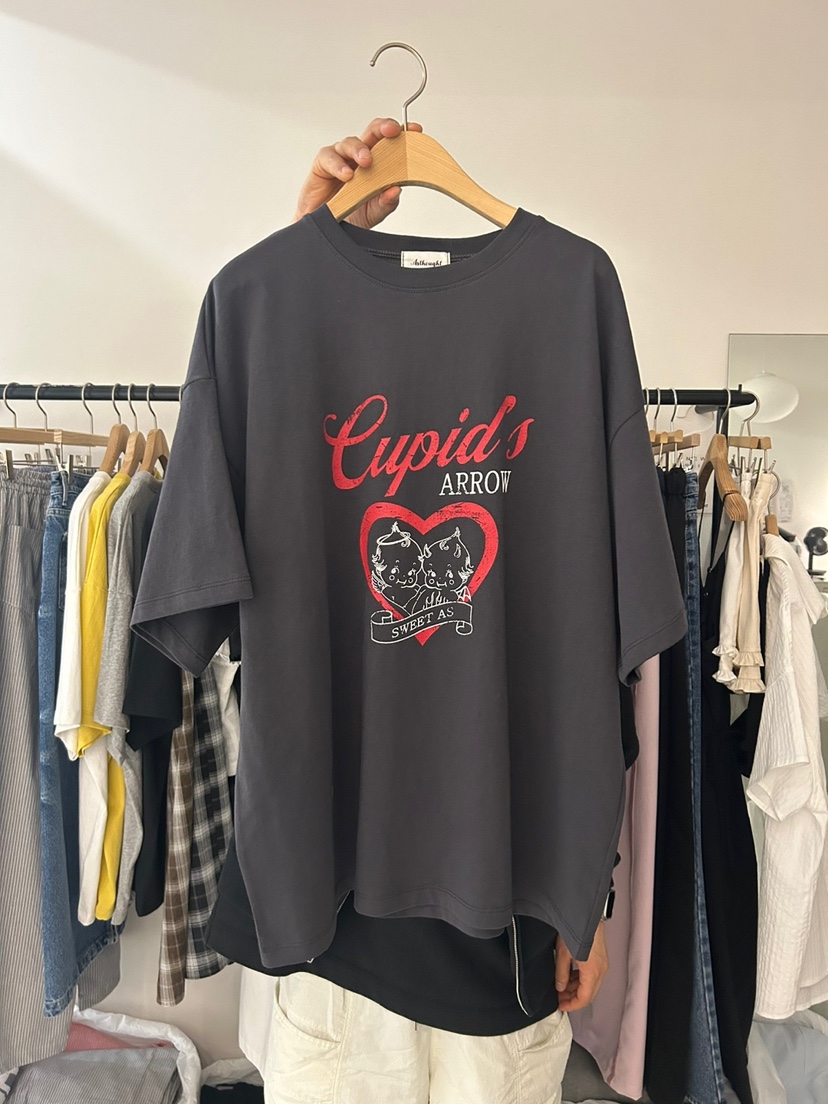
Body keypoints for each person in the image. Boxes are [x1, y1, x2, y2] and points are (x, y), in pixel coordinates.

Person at [226, 116, 611, 1103]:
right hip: (343, 942)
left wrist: (587, 896)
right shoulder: (259, 305)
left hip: (493, 946)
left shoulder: (576, 298)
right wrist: (304, 268)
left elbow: (606, 639)